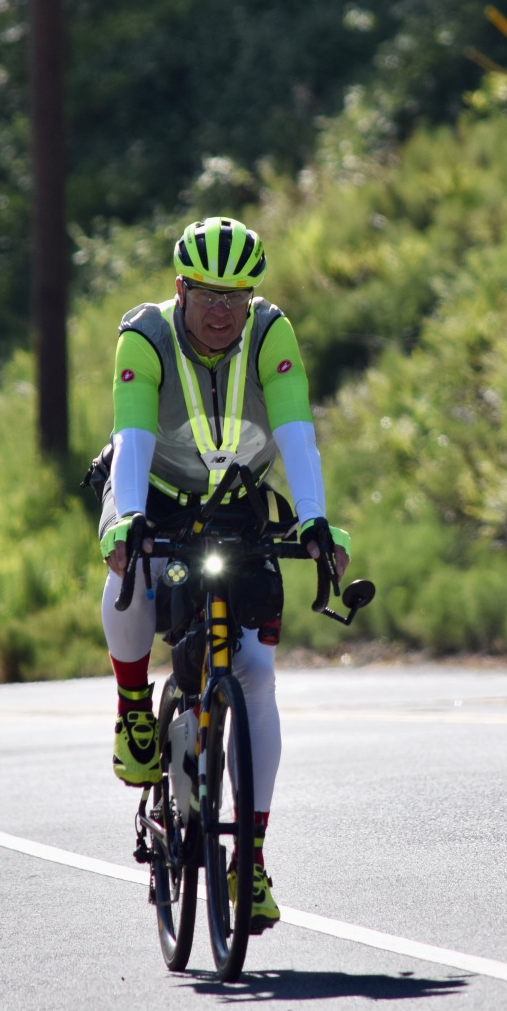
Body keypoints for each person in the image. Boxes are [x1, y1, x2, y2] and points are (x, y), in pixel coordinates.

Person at [96, 216, 349, 934]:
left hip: (237, 507)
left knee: (259, 673)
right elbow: (134, 435)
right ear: (180, 288)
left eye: (234, 297)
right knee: (127, 563)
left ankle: (252, 863)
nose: (220, 310)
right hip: (155, 490)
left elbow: (298, 432)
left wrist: (316, 519)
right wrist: (129, 518)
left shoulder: (273, 335)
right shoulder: (144, 337)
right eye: (205, 293)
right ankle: (133, 714)